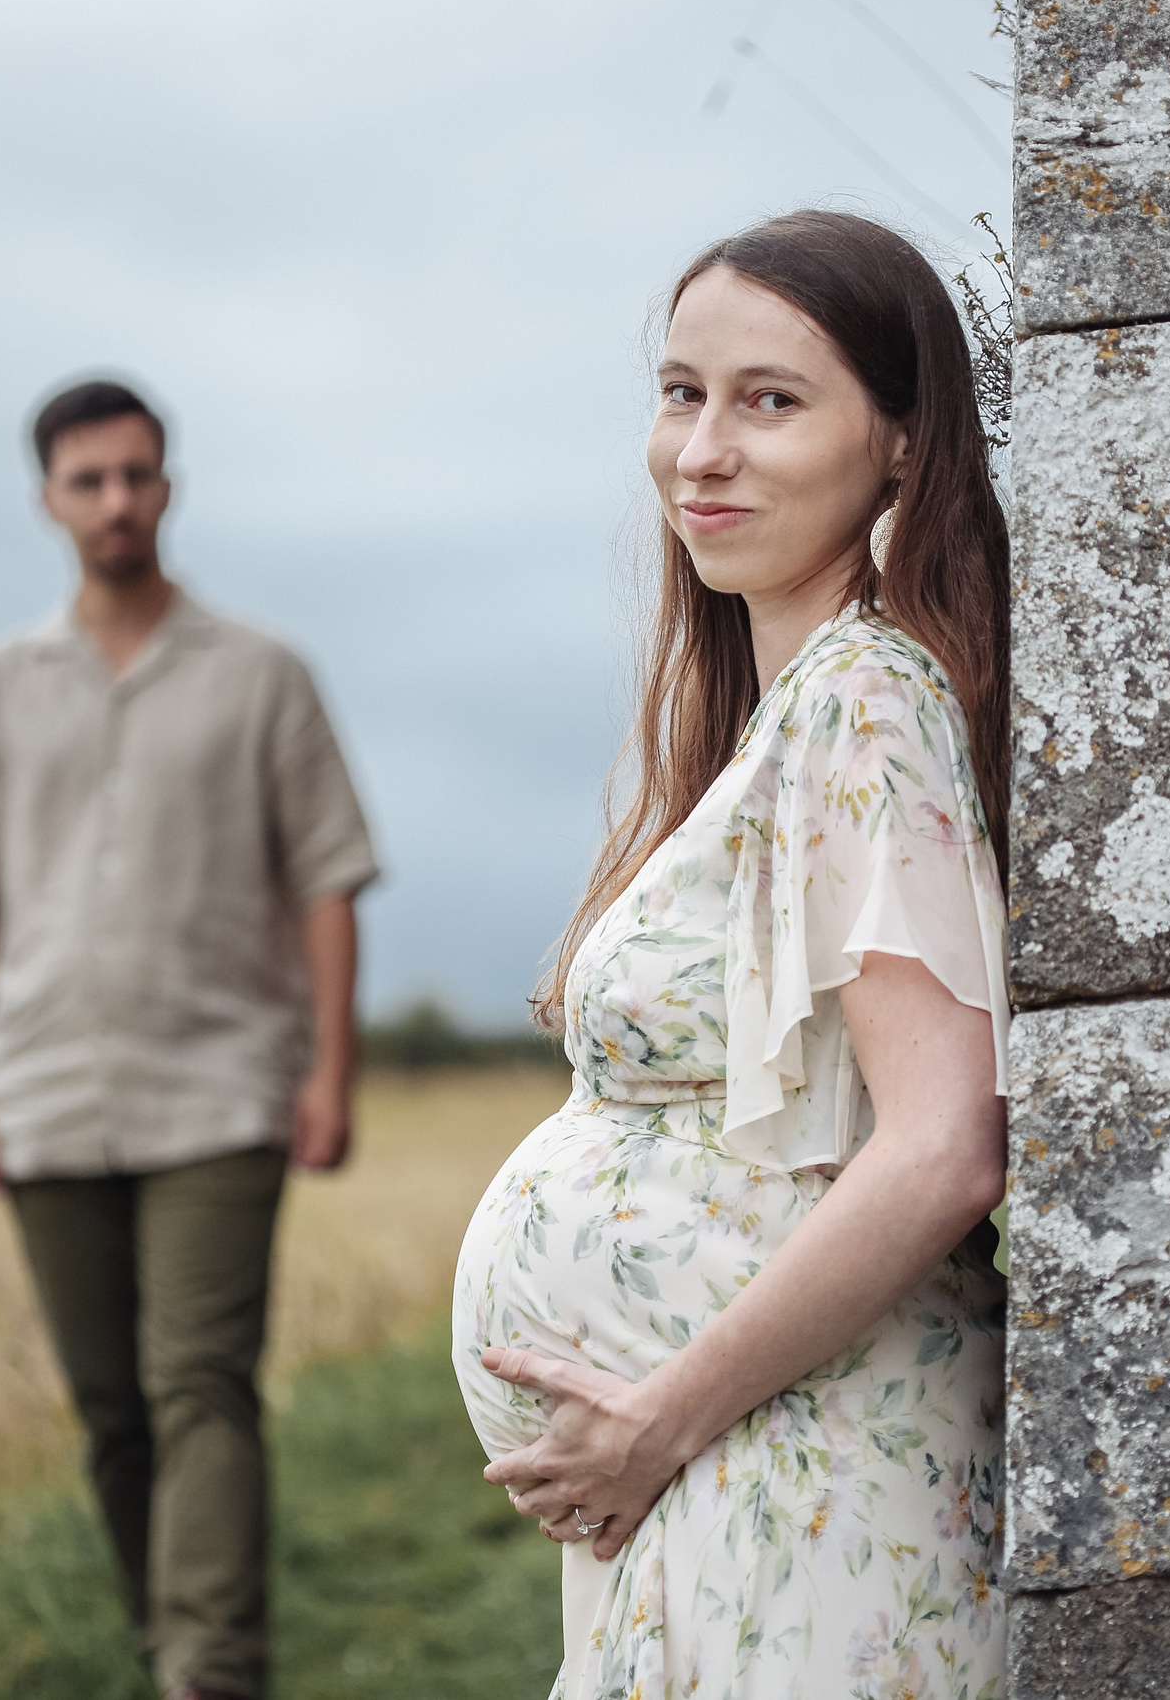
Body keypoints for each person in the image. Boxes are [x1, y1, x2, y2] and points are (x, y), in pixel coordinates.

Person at [452, 211, 1013, 1697]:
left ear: (902, 446)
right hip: (749, 1476)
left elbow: (948, 1142)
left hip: (798, 1478)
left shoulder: (865, 701)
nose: (702, 451)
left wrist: (660, 1418)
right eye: (681, 391)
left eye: (771, 400)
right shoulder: (782, 717)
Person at [0, 379, 378, 1700]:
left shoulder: (265, 677)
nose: (117, 501)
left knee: (201, 1386)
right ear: (50, 502)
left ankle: (210, 1673)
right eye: (89, 480)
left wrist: (330, 1072)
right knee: (113, 1415)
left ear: (168, 487)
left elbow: (327, 883)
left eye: (138, 475)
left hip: (224, 1088)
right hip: (46, 1090)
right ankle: (158, 1638)